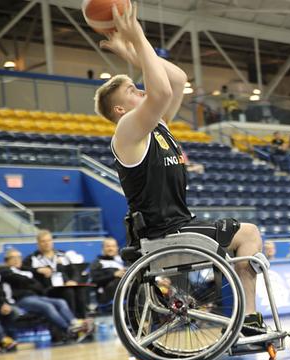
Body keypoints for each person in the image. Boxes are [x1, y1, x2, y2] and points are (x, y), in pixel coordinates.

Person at [94, 2, 265, 334]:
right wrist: (137, 35)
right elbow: (160, 90)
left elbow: (176, 78)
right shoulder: (127, 131)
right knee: (250, 233)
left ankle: (248, 317)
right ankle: (249, 319)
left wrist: (131, 51)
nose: (140, 89)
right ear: (119, 109)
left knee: (248, 234)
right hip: (164, 235)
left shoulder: (158, 125)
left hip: (177, 228)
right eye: (132, 90)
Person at [2, 249, 93, 342]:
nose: (17, 260)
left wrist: (31, 280)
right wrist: (29, 281)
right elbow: (20, 280)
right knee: (47, 306)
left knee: (60, 302)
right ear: (6, 261)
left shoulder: (26, 271)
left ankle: (75, 323)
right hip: (20, 300)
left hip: (36, 297)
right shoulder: (4, 272)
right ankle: (69, 329)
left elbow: (37, 285)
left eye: (18, 257)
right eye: (13, 258)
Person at [22, 230, 89, 318]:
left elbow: (75, 271)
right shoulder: (32, 258)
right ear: (38, 243)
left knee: (79, 289)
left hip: (65, 285)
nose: (47, 243)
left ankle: (83, 319)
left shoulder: (63, 255)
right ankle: (72, 320)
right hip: (47, 289)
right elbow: (22, 269)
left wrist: (73, 281)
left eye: (49, 240)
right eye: (43, 241)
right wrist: (37, 270)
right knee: (68, 291)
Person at [90, 238, 126, 304]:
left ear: (117, 248)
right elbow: (95, 280)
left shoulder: (123, 261)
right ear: (103, 248)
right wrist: (114, 275)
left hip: (125, 289)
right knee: (117, 281)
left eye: (113, 246)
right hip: (106, 292)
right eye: (108, 246)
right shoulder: (97, 262)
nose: (111, 249)